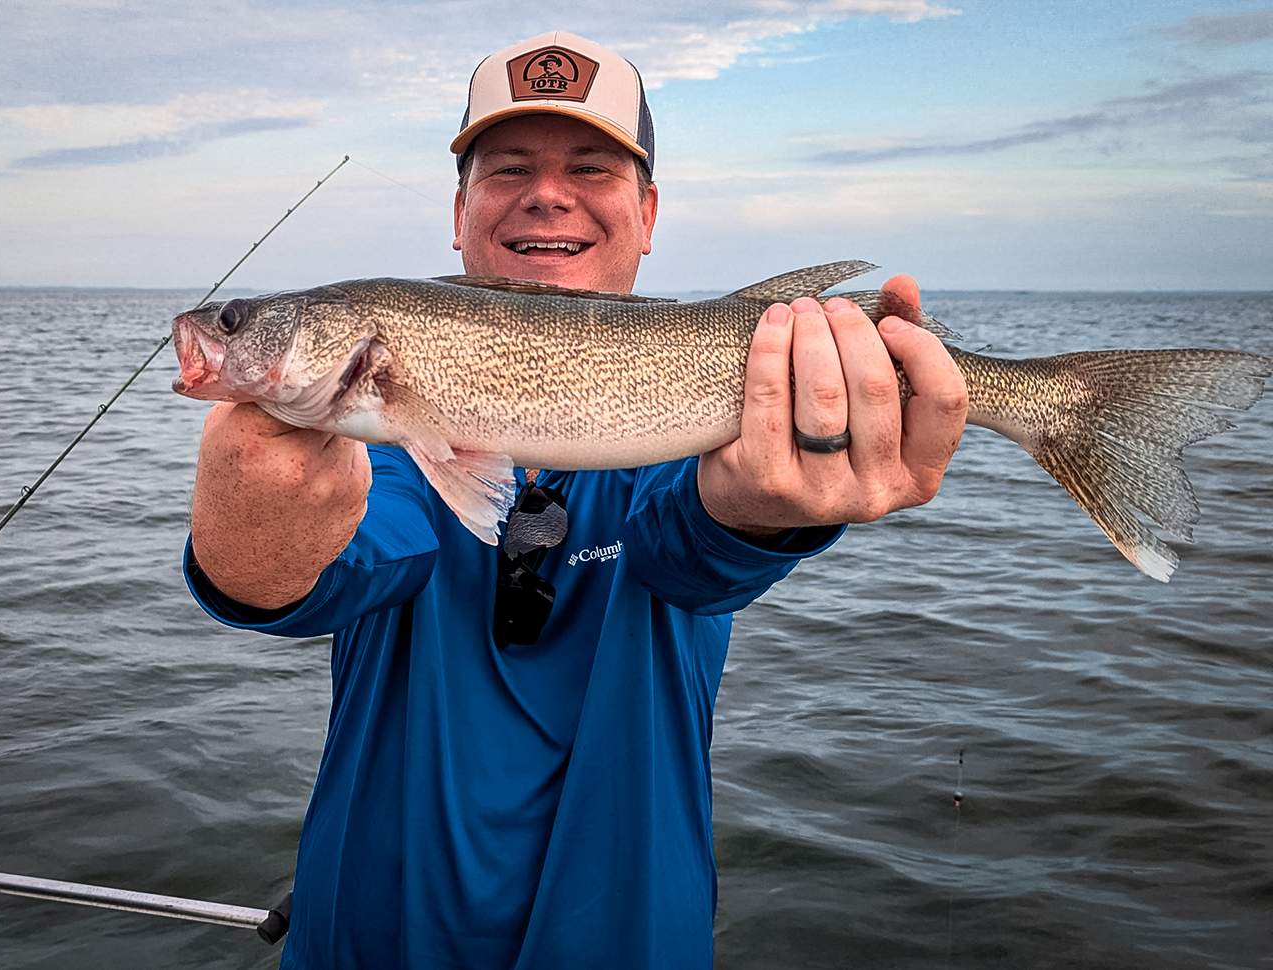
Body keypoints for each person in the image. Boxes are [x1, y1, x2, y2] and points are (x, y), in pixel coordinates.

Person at [184, 30, 968, 970]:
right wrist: (254, 531)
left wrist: (767, 509)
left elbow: (693, 544)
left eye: (591, 169)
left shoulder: (696, 443)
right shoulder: (378, 446)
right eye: (509, 168)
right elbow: (336, 560)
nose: (547, 194)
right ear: (461, 211)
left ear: (647, 212)